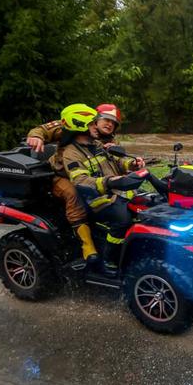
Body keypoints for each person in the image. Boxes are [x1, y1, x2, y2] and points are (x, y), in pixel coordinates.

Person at [25, 104, 135, 264]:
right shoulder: (70, 125)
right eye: (106, 119)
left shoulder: (106, 139)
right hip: (61, 172)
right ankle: (87, 245)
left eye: (114, 123)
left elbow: (114, 162)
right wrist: (36, 136)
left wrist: (130, 166)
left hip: (87, 173)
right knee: (73, 193)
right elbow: (43, 129)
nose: (109, 124)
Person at [58, 104, 144, 271]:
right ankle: (110, 258)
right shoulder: (71, 153)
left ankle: (138, 250)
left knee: (148, 207)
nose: (95, 126)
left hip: (117, 193)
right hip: (96, 200)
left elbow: (117, 161)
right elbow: (80, 180)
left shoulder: (97, 144)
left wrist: (132, 164)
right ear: (80, 126)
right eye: (92, 124)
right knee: (123, 219)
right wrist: (109, 182)